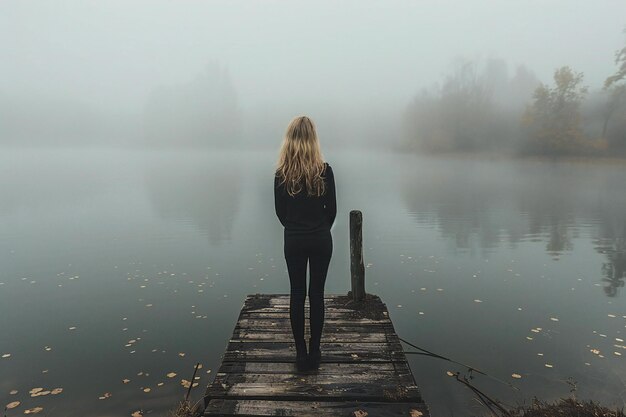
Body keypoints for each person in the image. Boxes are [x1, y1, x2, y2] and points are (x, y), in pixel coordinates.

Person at [274, 116, 336, 372]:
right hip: (321, 239)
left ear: (289, 140)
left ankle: (301, 353)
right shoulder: (325, 171)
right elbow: (332, 211)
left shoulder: (281, 175)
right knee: (317, 295)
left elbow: (280, 213)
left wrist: (296, 229)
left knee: (297, 295)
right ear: (313, 140)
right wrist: (319, 228)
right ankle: (315, 350)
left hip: (294, 240)